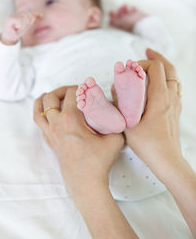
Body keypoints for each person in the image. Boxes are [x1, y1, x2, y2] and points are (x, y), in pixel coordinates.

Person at [0, 0, 175, 202]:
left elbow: (162, 54)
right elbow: (6, 87)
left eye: (50, 2)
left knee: (138, 75)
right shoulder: (33, 56)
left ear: (92, 16)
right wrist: (8, 41)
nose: (35, 15)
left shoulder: (116, 36)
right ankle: (104, 116)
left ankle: (122, 107)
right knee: (83, 101)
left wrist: (141, 23)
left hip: (158, 151)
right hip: (100, 156)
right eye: (23, 11)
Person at [34, 49, 196, 238]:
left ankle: (113, 115)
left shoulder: (120, 36)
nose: (40, 18)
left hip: (103, 161)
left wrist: (85, 184)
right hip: (162, 167)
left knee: (84, 115)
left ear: (94, 17)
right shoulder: (38, 53)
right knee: (97, 113)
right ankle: (122, 112)